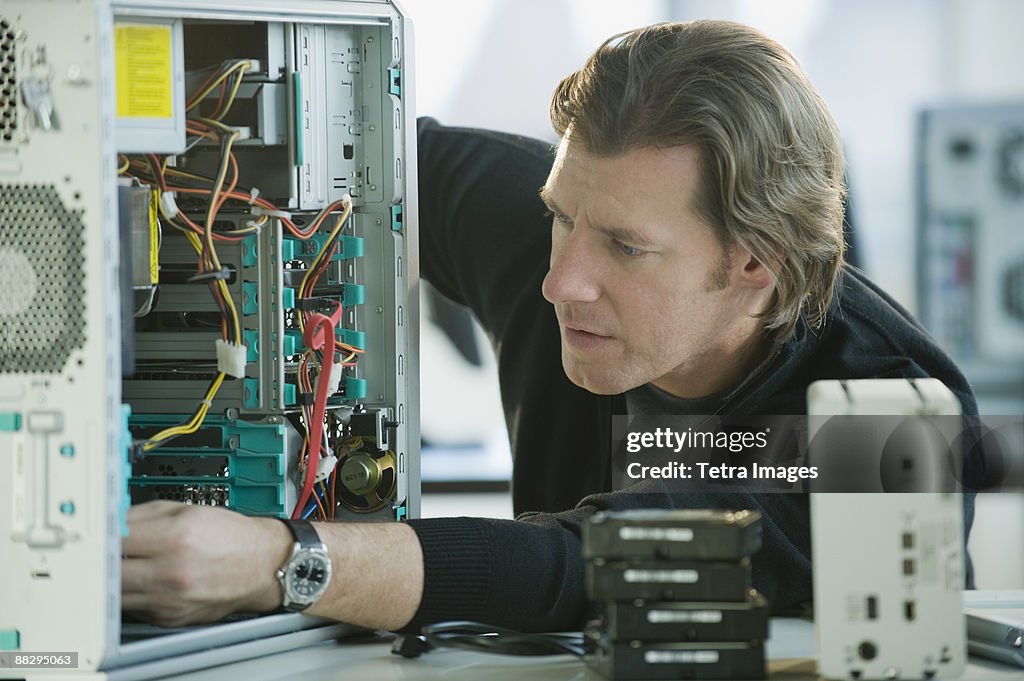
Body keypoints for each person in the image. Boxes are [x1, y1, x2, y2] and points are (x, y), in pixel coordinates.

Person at [121, 19, 977, 632]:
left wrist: (280, 562)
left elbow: (586, 565)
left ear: (755, 265)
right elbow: (337, 160)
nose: (561, 278)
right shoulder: (559, 220)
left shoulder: (890, 419)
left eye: (626, 249)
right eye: (561, 218)